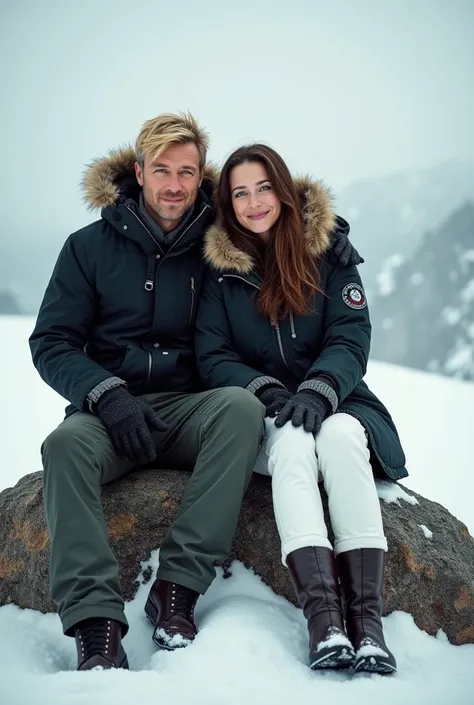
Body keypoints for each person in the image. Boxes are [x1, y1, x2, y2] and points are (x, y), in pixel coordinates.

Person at [29, 113, 360, 671]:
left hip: (192, 407)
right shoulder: (87, 248)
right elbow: (52, 341)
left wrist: (330, 239)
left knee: (239, 408)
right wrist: (104, 393)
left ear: (199, 177)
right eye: (161, 170)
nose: (175, 185)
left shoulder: (217, 234)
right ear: (138, 172)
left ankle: (178, 589)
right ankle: (95, 624)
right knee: (62, 448)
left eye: (187, 172)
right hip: (108, 411)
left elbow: (274, 223)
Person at [195, 143, 408, 675]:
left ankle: (370, 630)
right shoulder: (219, 272)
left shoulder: (329, 249)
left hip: (338, 399)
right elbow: (212, 353)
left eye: (264, 187)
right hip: (267, 407)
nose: (254, 202)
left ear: (284, 190)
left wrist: (319, 388)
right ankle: (326, 626)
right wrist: (265, 390)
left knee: (339, 439)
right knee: (291, 443)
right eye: (240, 193)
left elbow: (351, 333)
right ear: (229, 203)